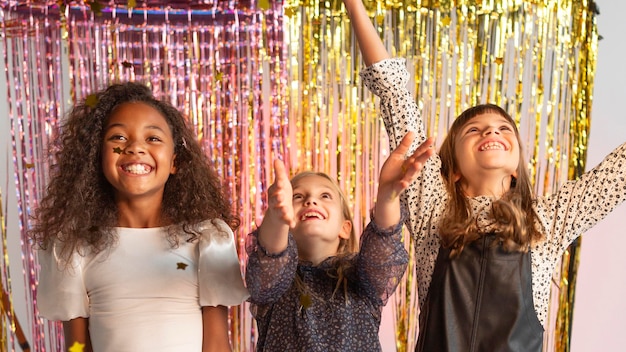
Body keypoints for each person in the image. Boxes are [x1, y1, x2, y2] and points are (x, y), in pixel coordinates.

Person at [344, 0, 626, 350]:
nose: (491, 133)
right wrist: (354, 6)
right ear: (455, 169)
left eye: (503, 129)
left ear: (515, 170)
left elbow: (620, 172)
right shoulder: (432, 207)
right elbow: (394, 92)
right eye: (474, 130)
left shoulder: (548, 220)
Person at [30, 82, 249, 352]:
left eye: (153, 138)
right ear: (96, 157)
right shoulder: (73, 246)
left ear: (175, 162)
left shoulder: (206, 238)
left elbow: (217, 344)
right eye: (118, 138)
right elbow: (76, 346)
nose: (135, 147)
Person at [245, 129, 434, 351]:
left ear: (345, 228)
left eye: (325, 196)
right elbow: (269, 257)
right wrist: (276, 215)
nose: (310, 201)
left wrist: (387, 199)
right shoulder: (276, 285)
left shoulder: (362, 278)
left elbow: (383, 249)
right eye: (297, 197)